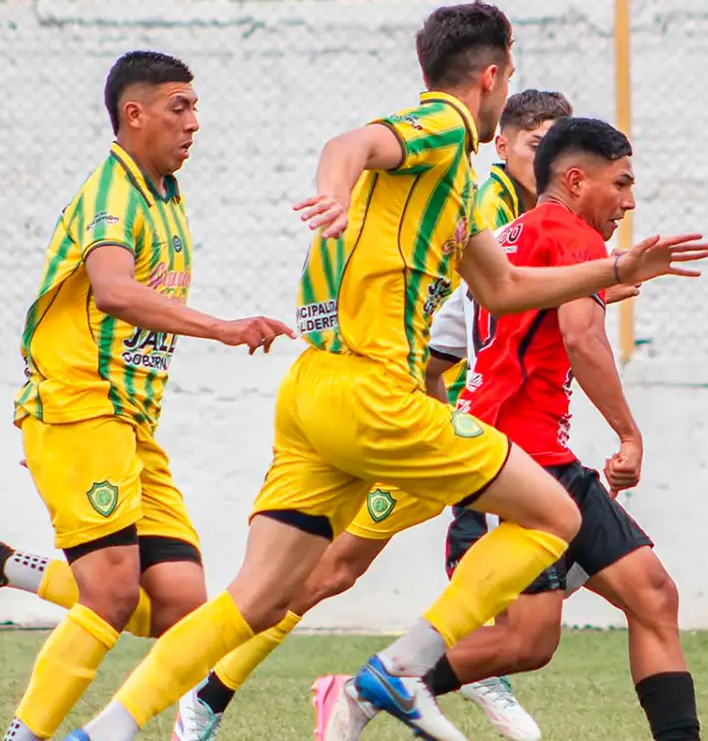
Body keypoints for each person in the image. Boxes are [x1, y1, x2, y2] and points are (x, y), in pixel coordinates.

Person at [62, 1, 708, 741]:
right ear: (492, 74)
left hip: (313, 392)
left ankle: (106, 731)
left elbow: (501, 290)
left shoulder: (458, 186)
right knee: (556, 515)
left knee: (256, 599)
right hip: (375, 391)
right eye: (512, 75)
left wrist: (620, 265)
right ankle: (400, 673)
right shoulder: (440, 126)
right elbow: (353, 142)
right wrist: (334, 190)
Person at [169, 86, 586, 741]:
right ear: (500, 143)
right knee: (330, 566)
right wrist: (433, 402)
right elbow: (457, 315)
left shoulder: (524, 212)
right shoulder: (484, 204)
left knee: (536, 542)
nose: (551, 159)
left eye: (559, 145)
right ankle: (210, 692)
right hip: (406, 411)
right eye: (537, 144)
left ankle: (456, 659)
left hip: (463, 417)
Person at [0, 50, 293, 741]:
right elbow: (115, 290)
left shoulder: (162, 195)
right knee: (114, 593)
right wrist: (223, 328)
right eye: (180, 107)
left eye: (195, 107)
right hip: (78, 407)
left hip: (128, 426)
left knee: (182, 606)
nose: (194, 123)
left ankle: (3, 565)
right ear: (135, 113)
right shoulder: (113, 191)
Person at [313, 116, 703, 741]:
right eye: (622, 184)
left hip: (530, 453)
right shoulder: (571, 234)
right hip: (517, 463)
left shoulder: (512, 234)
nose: (630, 202)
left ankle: (369, 688)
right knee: (577, 621)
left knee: (598, 615)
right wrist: (629, 435)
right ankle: (369, 685)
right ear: (576, 181)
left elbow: (477, 341)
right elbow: (581, 336)